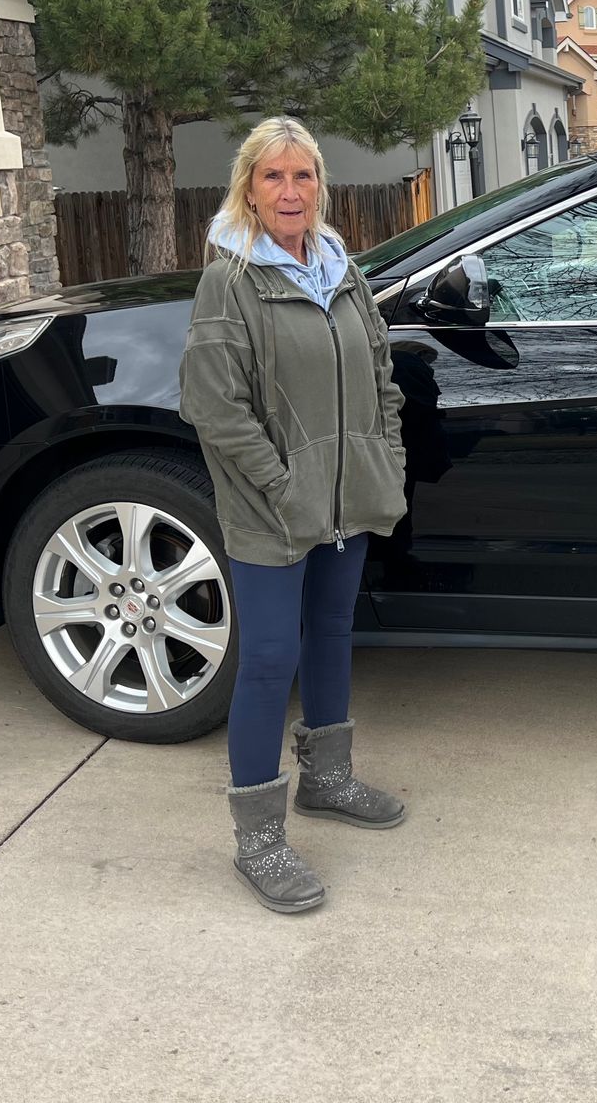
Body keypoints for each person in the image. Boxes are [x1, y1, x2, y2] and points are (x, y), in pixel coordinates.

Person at [178, 116, 408, 913]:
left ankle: (329, 779)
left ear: (320, 187)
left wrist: (386, 460)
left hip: (347, 501)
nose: (289, 191)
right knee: (272, 659)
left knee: (333, 634)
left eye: (302, 176)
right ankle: (259, 840)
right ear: (248, 187)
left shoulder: (343, 270)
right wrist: (283, 485)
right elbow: (214, 406)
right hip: (271, 509)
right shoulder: (232, 280)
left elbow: (381, 376)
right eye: (273, 177)